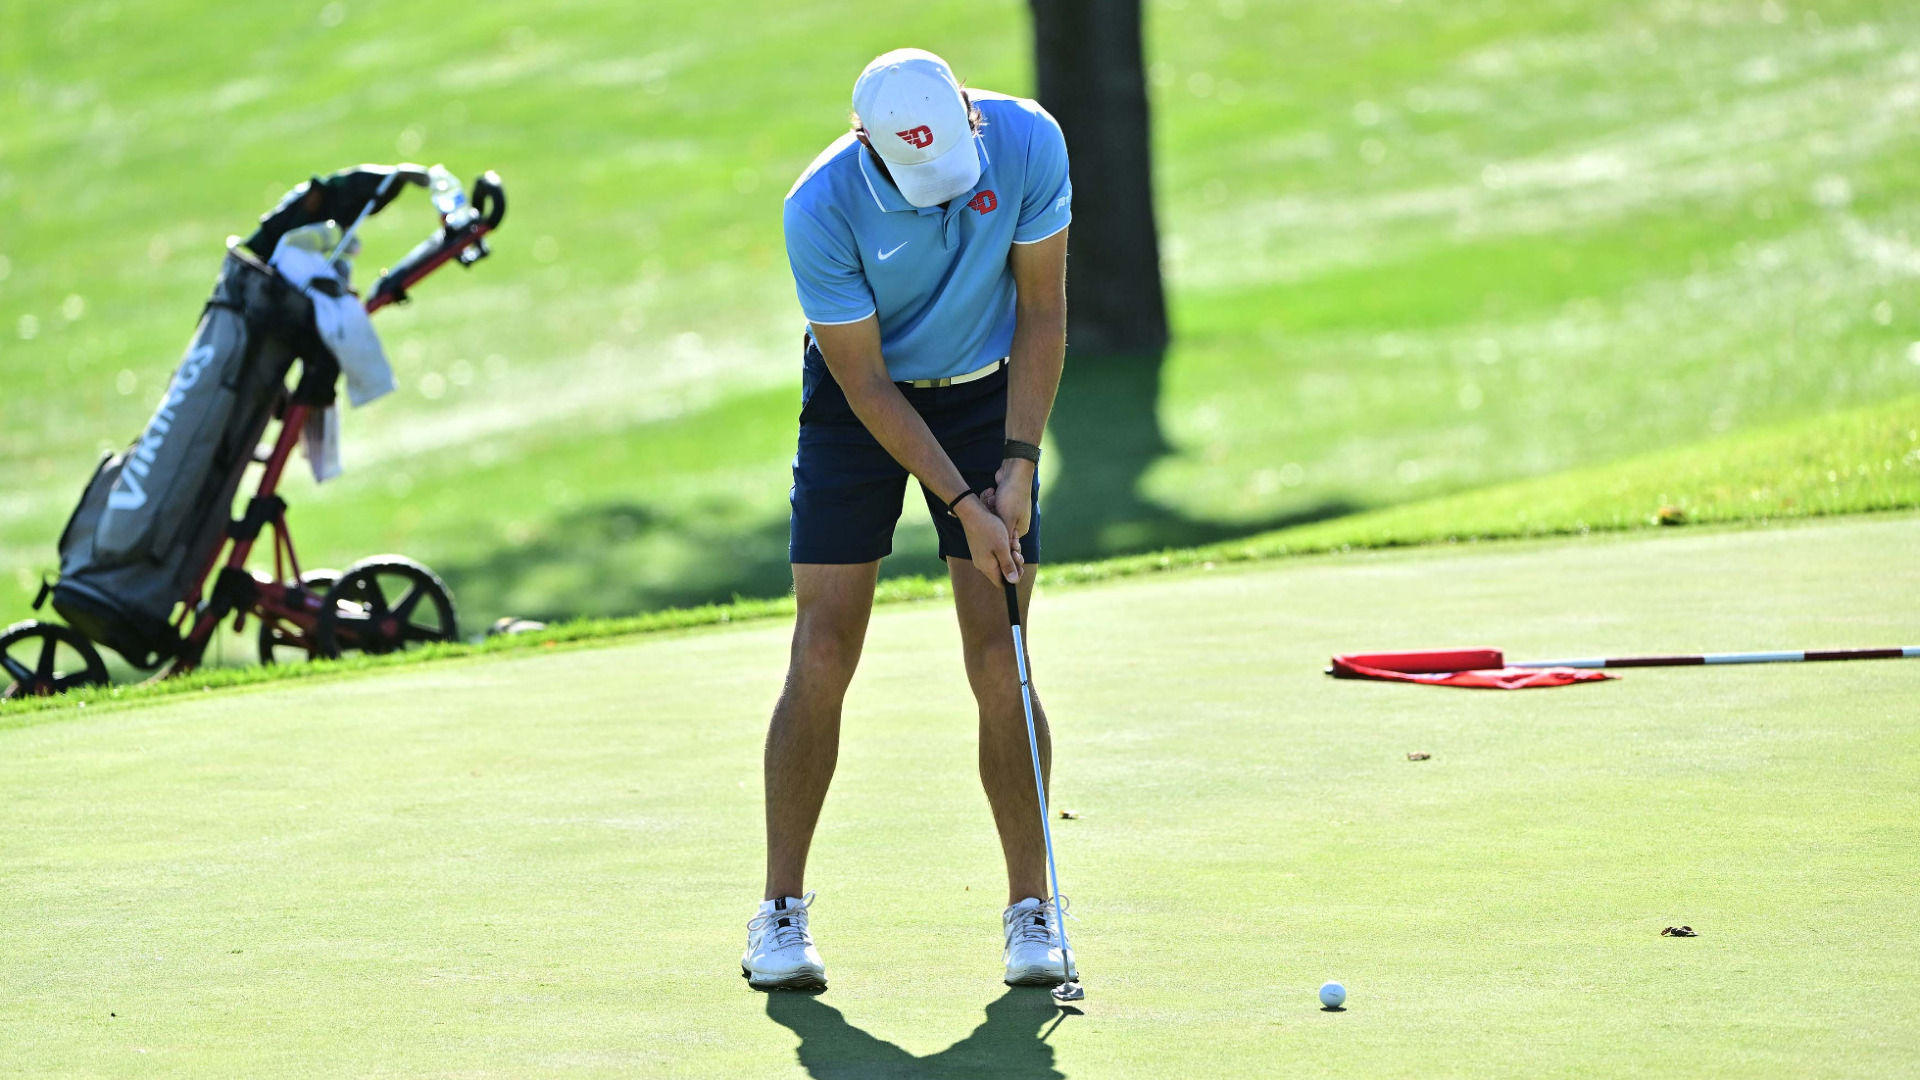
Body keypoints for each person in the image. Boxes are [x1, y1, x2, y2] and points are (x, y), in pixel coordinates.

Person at [742, 48, 1072, 992]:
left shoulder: (1028, 139)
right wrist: (965, 505)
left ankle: (1030, 906)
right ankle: (779, 913)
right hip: (864, 407)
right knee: (825, 645)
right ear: (866, 145)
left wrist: (1017, 464)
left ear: (970, 113)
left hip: (989, 400)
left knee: (998, 650)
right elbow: (864, 380)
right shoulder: (821, 207)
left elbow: (1043, 312)